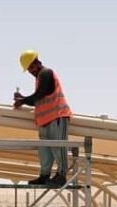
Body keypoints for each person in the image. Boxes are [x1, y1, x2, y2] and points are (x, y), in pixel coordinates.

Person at [13, 50, 73, 187]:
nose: (31, 71)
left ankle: (61, 175)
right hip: (45, 121)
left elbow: (40, 94)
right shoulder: (39, 78)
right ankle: (44, 175)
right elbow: (38, 100)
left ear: (38, 63)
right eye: (29, 69)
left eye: (32, 67)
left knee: (58, 147)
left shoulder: (46, 73)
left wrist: (22, 100)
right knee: (45, 151)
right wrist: (23, 99)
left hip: (57, 116)